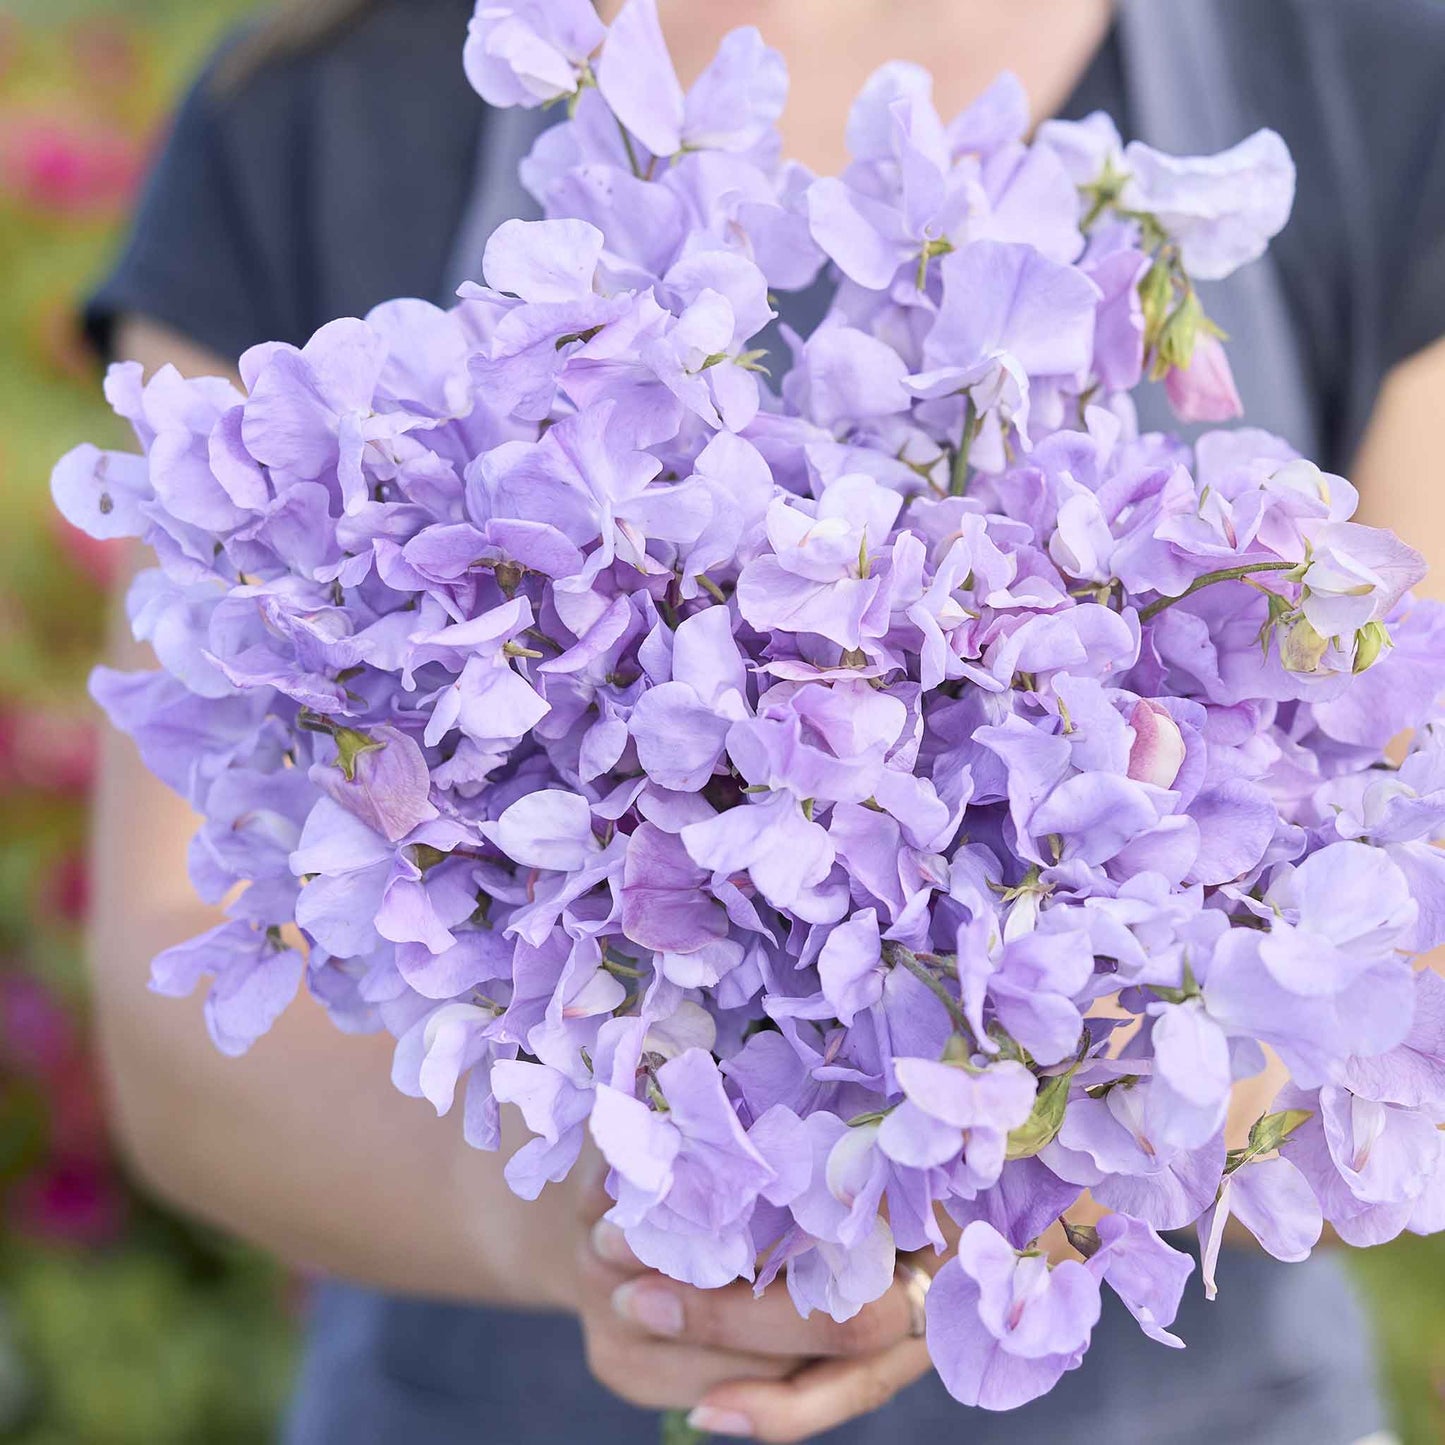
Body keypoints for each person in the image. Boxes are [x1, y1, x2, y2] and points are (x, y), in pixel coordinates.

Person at [83, 1, 1445, 1441]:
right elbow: (171, 989)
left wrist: (1015, 1166)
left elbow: (1409, 867)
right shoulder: (322, 102)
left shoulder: (1363, 71)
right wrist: (594, 1230)